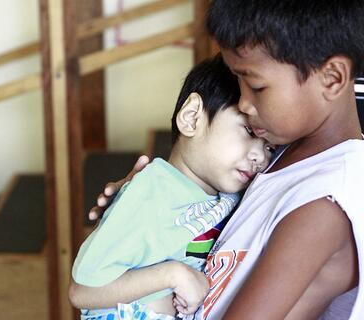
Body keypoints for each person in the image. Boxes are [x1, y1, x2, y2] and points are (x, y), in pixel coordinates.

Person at [83, 1, 364, 319]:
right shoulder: (279, 151)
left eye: (256, 86)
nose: (244, 101)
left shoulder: (325, 204)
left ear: (332, 78)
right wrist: (145, 201)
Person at [69, 55, 276, 319]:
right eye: (248, 131)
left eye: (270, 147)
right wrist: (172, 274)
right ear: (191, 117)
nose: (260, 156)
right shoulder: (151, 192)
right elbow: (82, 291)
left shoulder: (229, 195)